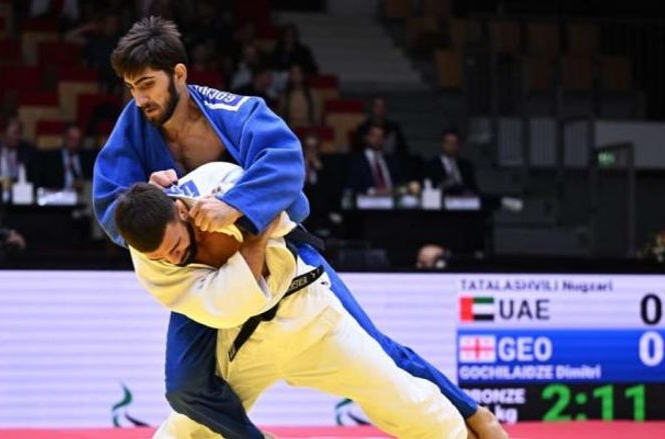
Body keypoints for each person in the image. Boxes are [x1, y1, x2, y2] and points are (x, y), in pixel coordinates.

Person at [93, 15, 507, 439]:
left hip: (279, 254)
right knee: (185, 388)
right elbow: (110, 202)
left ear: (179, 74)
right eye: (131, 87)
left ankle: (474, 414)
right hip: (202, 271)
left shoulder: (231, 112)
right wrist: (147, 195)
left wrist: (234, 205)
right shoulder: (133, 126)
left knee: (376, 346)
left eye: (147, 84)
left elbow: (286, 161)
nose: (139, 98)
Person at [116, 162, 469, 438]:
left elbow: (288, 203)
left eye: (176, 246)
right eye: (163, 257)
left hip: (309, 315)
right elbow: (229, 307)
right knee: (186, 430)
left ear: (180, 209)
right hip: (245, 338)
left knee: (404, 399)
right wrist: (251, 230)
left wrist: (235, 205)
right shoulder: (151, 267)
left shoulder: (216, 180)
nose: (174, 259)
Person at [347, 124, 402, 195]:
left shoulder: (391, 161)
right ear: (366, 138)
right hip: (368, 199)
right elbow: (352, 187)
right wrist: (374, 191)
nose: (378, 139)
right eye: (374, 135)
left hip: (392, 198)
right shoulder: (356, 161)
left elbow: (399, 183)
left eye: (381, 136)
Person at [35, 123, 90, 190]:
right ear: (64, 138)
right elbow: (48, 182)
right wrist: (70, 184)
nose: (74, 143)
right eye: (71, 139)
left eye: (77, 140)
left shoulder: (86, 158)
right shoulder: (51, 158)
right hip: (60, 194)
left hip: (82, 194)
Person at [424, 129, 479, 195]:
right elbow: (429, 188)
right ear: (442, 144)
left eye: (454, 143)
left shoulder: (466, 165)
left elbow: (474, 188)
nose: (451, 146)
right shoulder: (432, 165)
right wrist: (442, 185)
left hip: (464, 199)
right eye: (448, 143)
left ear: (459, 145)